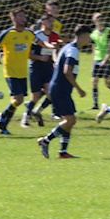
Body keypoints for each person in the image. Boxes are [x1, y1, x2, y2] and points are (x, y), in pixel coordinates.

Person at [37, 27, 89, 159]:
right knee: (70, 120)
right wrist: (79, 89)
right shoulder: (73, 50)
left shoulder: (68, 47)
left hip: (61, 88)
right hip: (60, 89)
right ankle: (46, 140)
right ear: (83, 36)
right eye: (88, 36)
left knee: (69, 121)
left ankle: (63, 152)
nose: (89, 39)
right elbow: (67, 71)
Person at [0, 8, 37, 133]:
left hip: (22, 72)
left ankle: (3, 125)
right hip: (10, 71)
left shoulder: (29, 33)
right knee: (19, 99)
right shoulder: (8, 33)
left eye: (24, 16)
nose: (23, 18)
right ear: (13, 18)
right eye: (20, 16)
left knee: (15, 101)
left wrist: (51, 45)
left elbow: (41, 42)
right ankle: (3, 116)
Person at [26, 1, 62, 128]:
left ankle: (38, 111)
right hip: (36, 68)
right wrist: (40, 57)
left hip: (48, 68)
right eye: (49, 21)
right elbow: (29, 53)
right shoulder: (36, 36)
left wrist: (56, 60)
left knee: (52, 92)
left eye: (52, 22)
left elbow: (55, 50)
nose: (51, 24)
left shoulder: (55, 35)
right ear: (42, 22)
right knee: (35, 96)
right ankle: (27, 116)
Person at [87, 10, 110, 114]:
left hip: (105, 60)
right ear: (94, 21)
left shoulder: (109, 31)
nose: (101, 21)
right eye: (98, 19)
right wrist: (93, 59)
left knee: (108, 83)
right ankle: (95, 104)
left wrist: (106, 59)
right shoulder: (93, 34)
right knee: (94, 82)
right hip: (96, 60)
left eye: (102, 18)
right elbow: (93, 47)